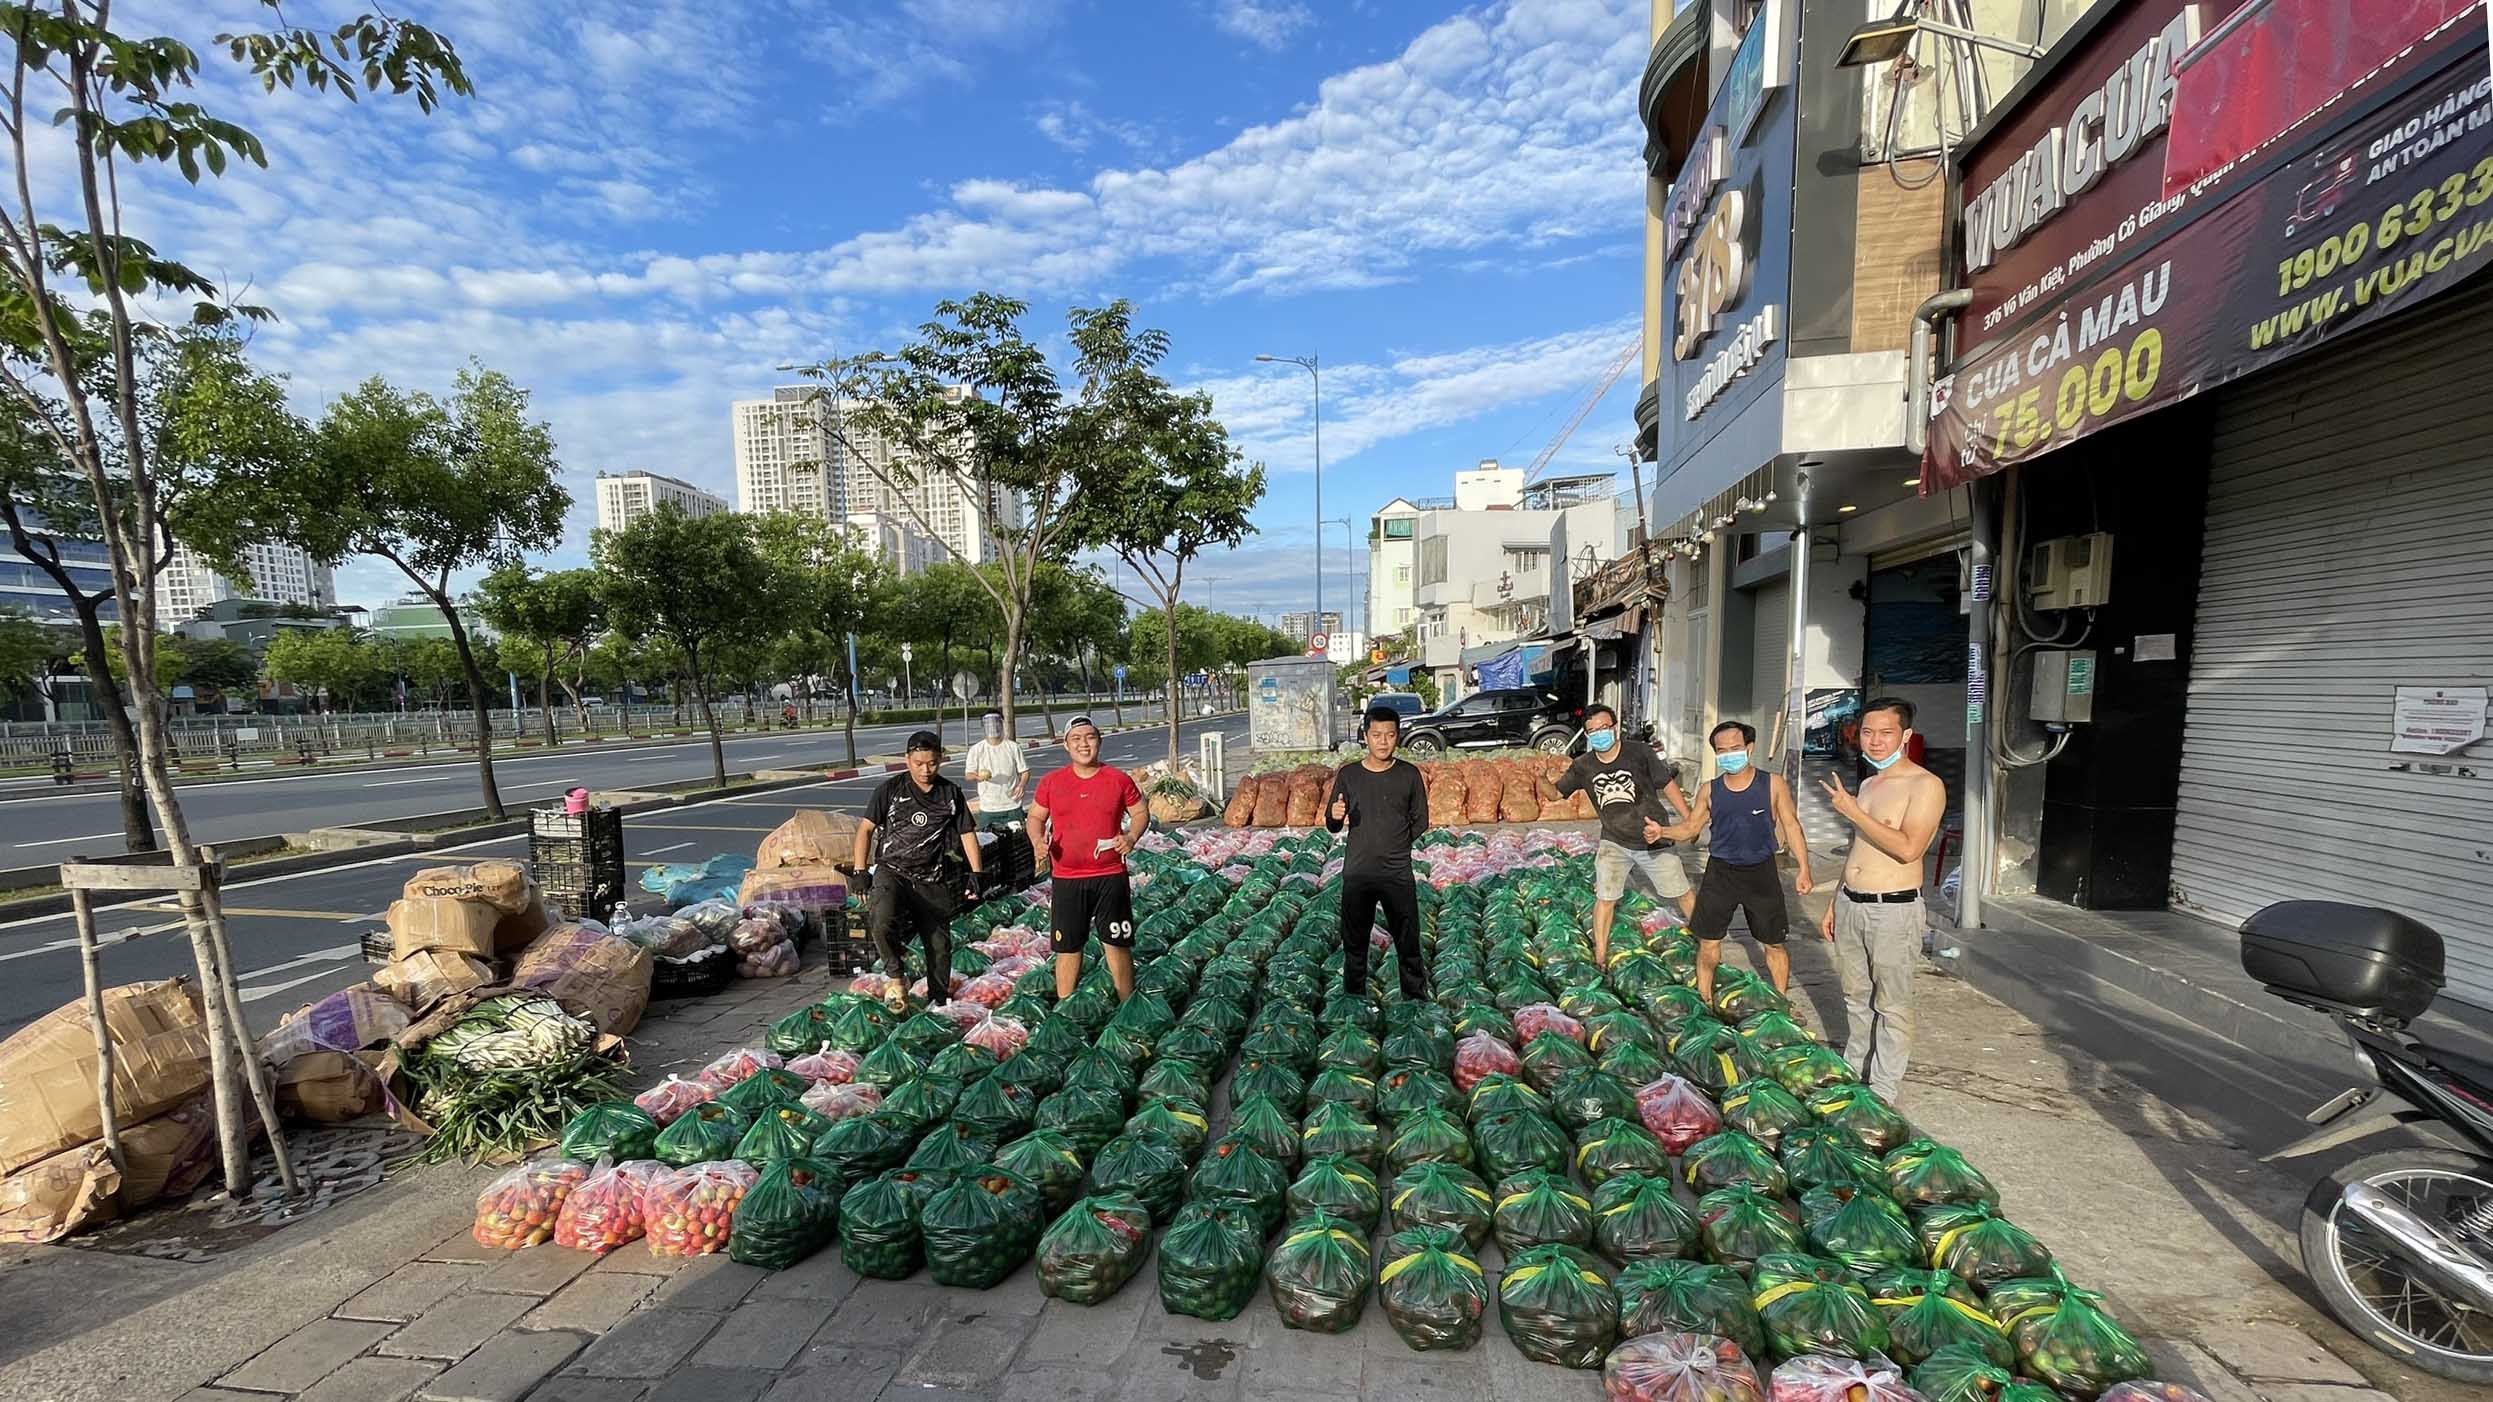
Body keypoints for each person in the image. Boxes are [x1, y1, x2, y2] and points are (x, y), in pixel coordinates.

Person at [1817, 696, 1947, 1102]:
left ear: (1905, 736)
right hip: (1851, 903)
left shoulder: (1925, 785)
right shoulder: (1871, 783)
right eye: (1868, 732)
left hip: (1892, 909)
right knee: (1856, 998)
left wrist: (1852, 812)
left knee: (1892, 1003)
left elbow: (1909, 848)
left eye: (1886, 733)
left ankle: (1883, 1091)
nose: (1874, 741)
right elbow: (1861, 847)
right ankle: (1854, 1073)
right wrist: (1835, 900)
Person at [1666, 720, 1814, 1006]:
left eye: (1735, 748)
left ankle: (1781, 1001)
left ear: (1750, 748)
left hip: (1762, 872)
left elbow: (1792, 825)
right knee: (1708, 941)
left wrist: (1804, 869)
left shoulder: (1772, 784)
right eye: (1722, 750)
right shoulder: (1709, 790)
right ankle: (1705, 1000)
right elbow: (1690, 829)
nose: (1729, 755)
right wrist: (1662, 832)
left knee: (1773, 942)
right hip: (1720, 873)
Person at [852, 730, 984, 1013]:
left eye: (932, 763)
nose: (925, 770)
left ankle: (938, 1002)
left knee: (938, 946)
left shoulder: (950, 793)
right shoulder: (889, 790)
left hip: (932, 876)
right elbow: (865, 830)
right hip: (892, 870)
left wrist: (977, 872)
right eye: (919, 763)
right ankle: (896, 975)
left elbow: (967, 833)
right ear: (907, 760)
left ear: (940, 761)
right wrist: (860, 870)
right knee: (881, 920)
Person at [1554, 704, 1694, 970]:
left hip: (1654, 836)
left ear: (1615, 727)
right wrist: (1539, 782)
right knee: (1605, 898)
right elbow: (1555, 794)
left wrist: (1690, 820)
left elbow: (1667, 784)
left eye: (1604, 728)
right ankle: (1601, 956)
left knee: (1681, 892)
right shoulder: (1583, 765)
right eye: (1592, 731)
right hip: (1614, 841)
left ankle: (1704, 938)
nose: (1599, 734)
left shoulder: (1639, 753)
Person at [1028, 716, 1146, 1001]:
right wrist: (1037, 840)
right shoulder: (1052, 782)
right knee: (1067, 947)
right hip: (1067, 878)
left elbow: (1141, 812)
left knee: (1117, 943)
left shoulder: (1118, 779)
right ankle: (1066, 1007)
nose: (1084, 743)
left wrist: (1131, 837)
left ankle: (1126, 1003)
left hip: (1109, 877)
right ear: (1067, 746)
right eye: (1077, 738)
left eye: (1090, 737)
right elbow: (1034, 816)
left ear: (1099, 741)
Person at [1326, 704, 1432, 1001]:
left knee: (1408, 941)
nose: (1383, 741)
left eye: (1390, 735)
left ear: (1397, 737)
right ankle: (1354, 999)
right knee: (1355, 942)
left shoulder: (1408, 774)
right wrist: (1335, 815)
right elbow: (1332, 824)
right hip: (1358, 871)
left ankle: (1415, 1000)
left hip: (1397, 872)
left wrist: (1396, 844)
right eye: (1377, 735)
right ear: (1365, 737)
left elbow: (1420, 819)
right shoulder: (1349, 776)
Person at [963, 711, 1030, 829]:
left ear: (1002, 724)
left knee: (1017, 842)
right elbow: (968, 775)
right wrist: (978, 777)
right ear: (983, 726)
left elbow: (1024, 771)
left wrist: (1021, 785)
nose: (992, 727)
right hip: (988, 807)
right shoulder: (976, 749)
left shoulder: (1013, 747)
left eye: (996, 723)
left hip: (1012, 805)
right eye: (988, 723)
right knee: (988, 841)